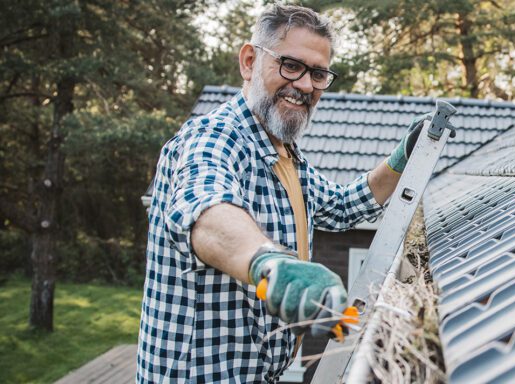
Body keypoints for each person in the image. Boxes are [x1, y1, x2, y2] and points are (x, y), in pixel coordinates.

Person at [136, 5, 441, 383]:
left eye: (317, 74)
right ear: (249, 61)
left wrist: (400, 161)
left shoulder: (285, 154)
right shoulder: (212, 139)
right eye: (291, 66)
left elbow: (341, 206)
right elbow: (206, 211)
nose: (305, 85)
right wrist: (272, 265)